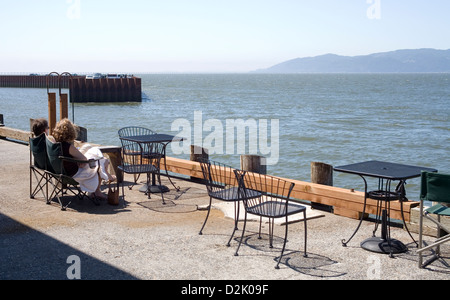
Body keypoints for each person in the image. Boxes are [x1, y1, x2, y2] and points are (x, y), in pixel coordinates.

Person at [52, 118, 115, 200]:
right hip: (74, 174)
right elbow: (84, 160)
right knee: (100, 162)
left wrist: (76, 158)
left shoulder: (54, 145)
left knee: (88, 148)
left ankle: (106, 176)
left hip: (60, 171)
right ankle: (97, 191)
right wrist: (78, 159)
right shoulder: (68, 147)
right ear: (70, 132)